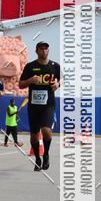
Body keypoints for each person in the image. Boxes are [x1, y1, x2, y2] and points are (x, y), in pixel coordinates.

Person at [19, 41, 61, 171]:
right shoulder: (30, 66)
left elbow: (61, 79)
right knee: (34, 135)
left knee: (46, 130)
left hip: (48, 104)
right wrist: (30, 81)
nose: (44, 51)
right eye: (41, 49)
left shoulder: (55, 66)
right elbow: (21, 84)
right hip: (33, 105)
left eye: (46, 49)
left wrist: (57, 85)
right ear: (36, 51)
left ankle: (46, 155)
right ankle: (37, 158)